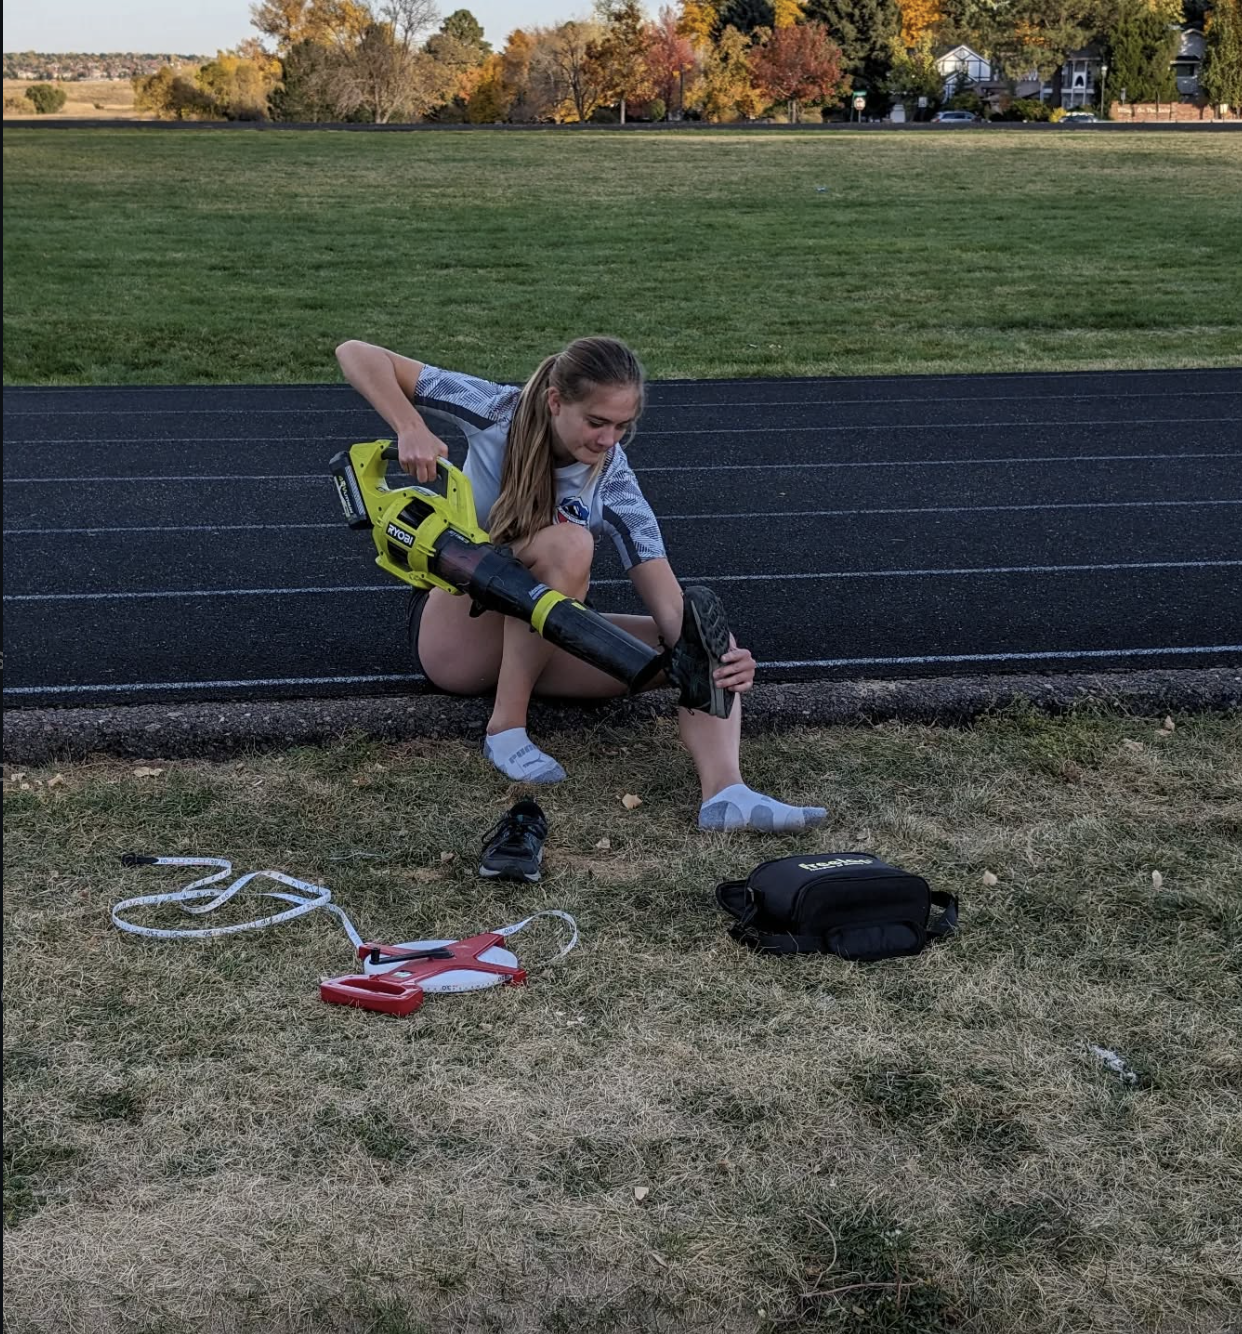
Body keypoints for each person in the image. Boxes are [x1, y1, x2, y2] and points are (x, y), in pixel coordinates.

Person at [335, 334, 826, 833]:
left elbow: (667, 600)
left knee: (698, 636)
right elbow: (355, 352)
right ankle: (506, 729)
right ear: (555, 401)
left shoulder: (613, 478)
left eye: (621, 426)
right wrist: (410, 425)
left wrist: (719, 658)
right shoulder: (495, 407)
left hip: (534, 640)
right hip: (456, 636)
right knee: (569, 546)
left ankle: (725, 795)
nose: (608, 440)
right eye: (596, 422)